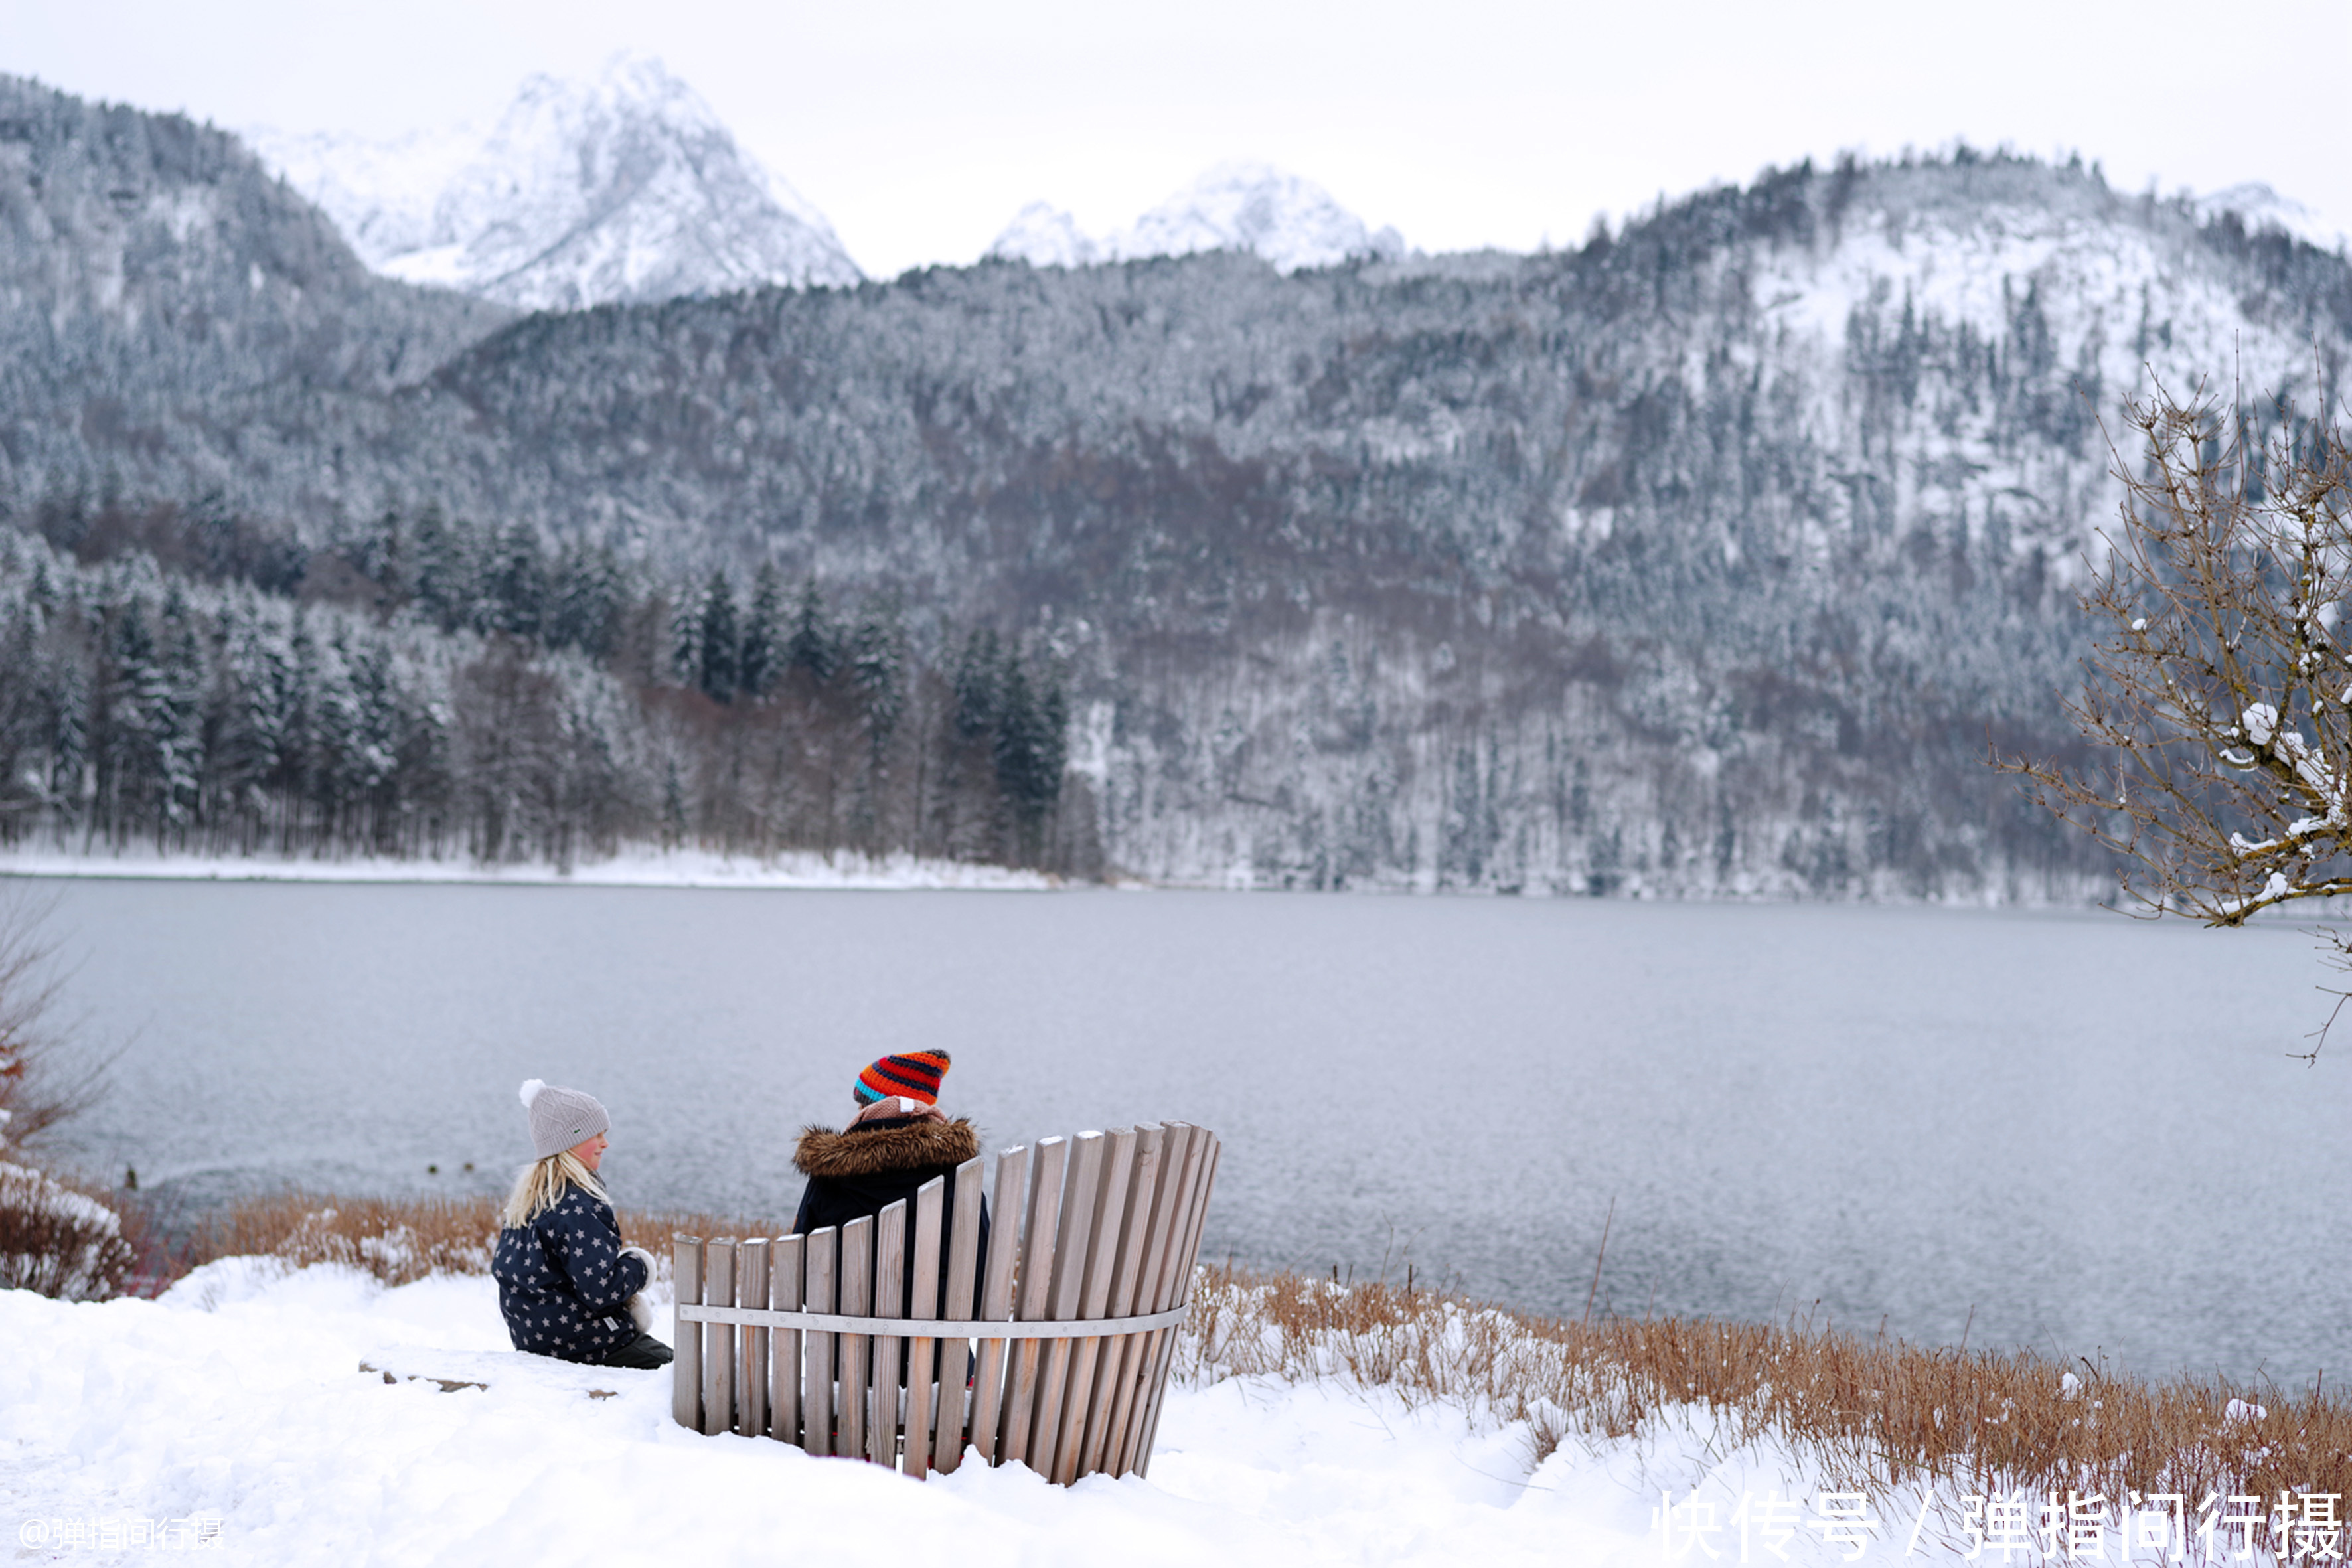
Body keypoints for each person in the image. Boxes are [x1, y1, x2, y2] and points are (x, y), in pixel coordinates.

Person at [492, 1078, 672, 1369]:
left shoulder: (526, 1202)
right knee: (685, 1375)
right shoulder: (579, 1205)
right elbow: (601, 1289)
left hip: (538, 1344)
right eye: (596, 1134)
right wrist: (640, 1266)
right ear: (570, 1141)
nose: (605, 1143)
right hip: (591, 1346)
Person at [792, 1050, 986, 1318]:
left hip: (843, 1350)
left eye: (861, 1103)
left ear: (872, 1109)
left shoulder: (829, 1173)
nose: (858, 1110)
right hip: (937, 1353)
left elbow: (800, 1277)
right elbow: (980, 1283)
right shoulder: (961, 1176)